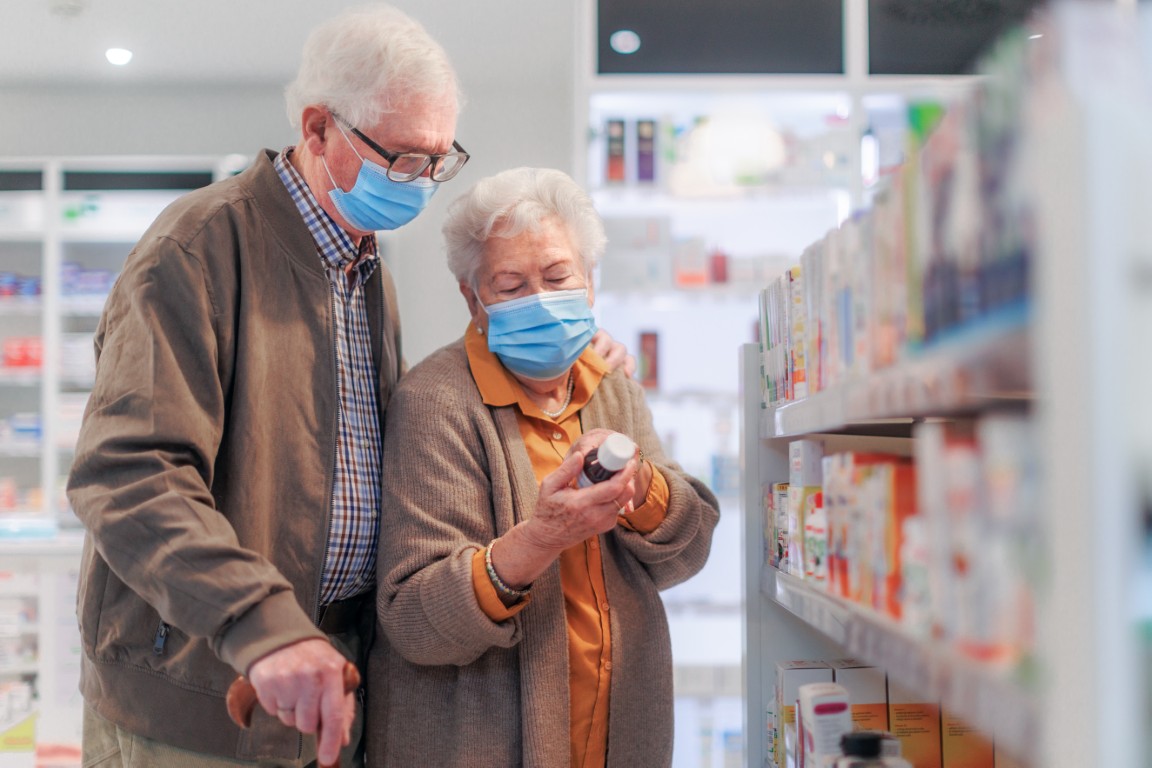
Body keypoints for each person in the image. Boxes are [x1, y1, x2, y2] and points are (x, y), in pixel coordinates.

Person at [66, 7, 630, 768]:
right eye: (400, 158)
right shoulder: (198, 249)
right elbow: (129, 475)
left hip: (331, 673)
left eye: (438, 160)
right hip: (203, 684)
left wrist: (558, 359)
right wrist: (260, 624)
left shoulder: (365, 273)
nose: (422, 183)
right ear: (319, 130)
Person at [368, 167, 720, 767]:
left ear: (590, 284)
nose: (540, 300)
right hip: (481, 744)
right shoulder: (437, 401)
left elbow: (685, 555)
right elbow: (415, 618)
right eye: (510, 285)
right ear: (472, 298)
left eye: (558, 277)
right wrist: (542, 537)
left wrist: (643, 488)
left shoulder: (611, 386)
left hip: (618, 734)